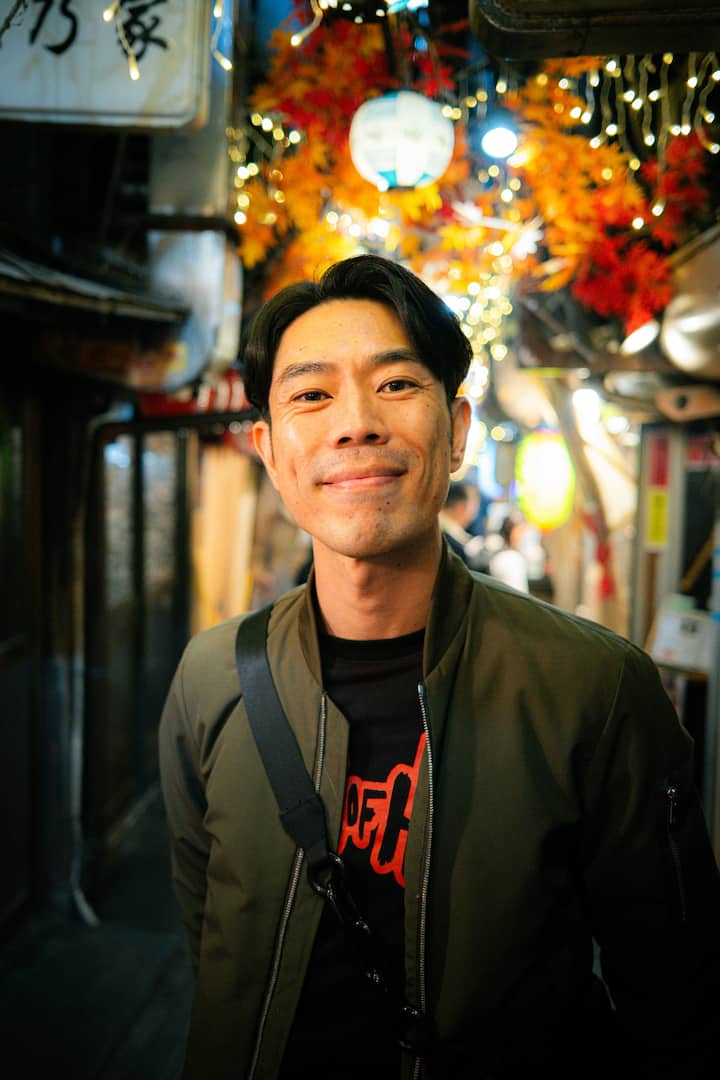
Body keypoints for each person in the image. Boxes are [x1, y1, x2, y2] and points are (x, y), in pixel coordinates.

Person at [158, 253, 720, 1080]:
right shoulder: (212, 680)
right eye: (311, 395)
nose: (355, 424)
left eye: (395, 384)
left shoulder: (593, 689)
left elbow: (673, 995)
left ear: (457, 430)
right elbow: (214, 940)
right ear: (269, 451)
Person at [438, 479, 482, 567]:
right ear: (460, 506)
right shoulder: (444, 537)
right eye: (474, 506)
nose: (475, 513)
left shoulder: (446, 531)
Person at [486, 509, 530, 592]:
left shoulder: (497, 552)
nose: (524, 536)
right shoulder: (511, 559)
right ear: (514, 532)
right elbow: (518, 594)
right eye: (522, 531)